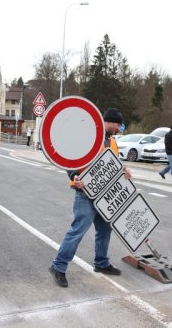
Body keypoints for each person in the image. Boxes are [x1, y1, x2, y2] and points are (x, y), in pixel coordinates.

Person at [50, 107, 131, 288]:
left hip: (105, 196)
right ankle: (58, 266)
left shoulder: (112, 142)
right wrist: (73, 176)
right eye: (117, 125)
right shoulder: (88, 136)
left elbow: (112, 164)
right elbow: (71, 158)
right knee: (77, 231)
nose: (119, 129)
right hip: (85, 193)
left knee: (105, 230)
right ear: (108, 122)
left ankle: (101, 263)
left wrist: (123, 170)